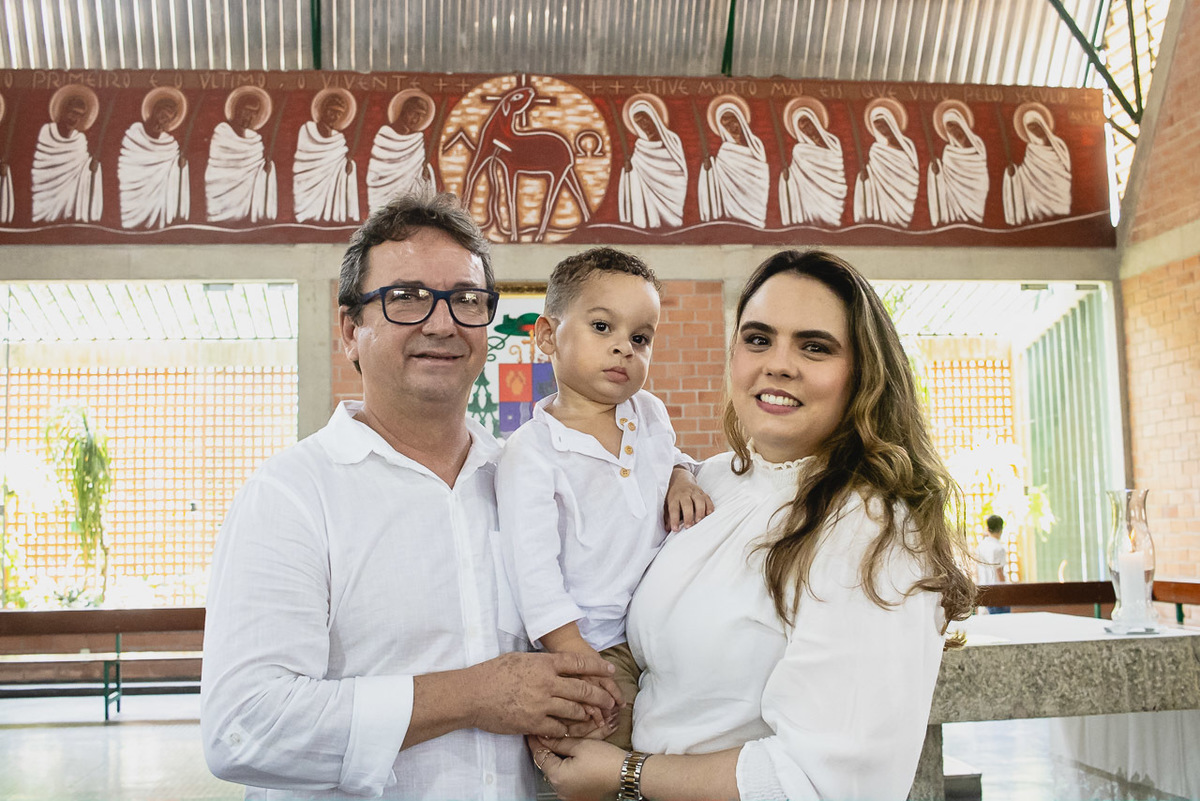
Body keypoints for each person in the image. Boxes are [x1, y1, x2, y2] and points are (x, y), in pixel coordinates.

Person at [201, 192, 618, 800]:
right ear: (350, 329)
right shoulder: (292, 496)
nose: (443, 323)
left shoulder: (530, 480)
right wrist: (475, 695)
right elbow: (243, 728)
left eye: (467, 301)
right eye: (406, 297)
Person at [533, 249, 976, 801]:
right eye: (758, 339)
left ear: (863, 372)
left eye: (814, 346)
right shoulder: (714, 480)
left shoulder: (873, 531)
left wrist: (624, 774)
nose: (778, 364)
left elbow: (831, 782)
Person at [494, 247, 714, 751]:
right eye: (601, 328)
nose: (624, 349)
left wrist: (681, 477)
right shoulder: (530, 452)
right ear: (548, 335)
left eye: (640, 338)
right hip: (594, 646)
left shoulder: (650, 412)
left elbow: (671, 456)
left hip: (667, 631)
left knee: (683, 748)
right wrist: (577, 657)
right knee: (609, 759)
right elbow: (533, 574)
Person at [118, 87, 190, 229]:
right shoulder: (134, 135)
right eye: (162, 116)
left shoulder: (170, 145)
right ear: (154, 112)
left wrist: (181, 165)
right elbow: (125, 168)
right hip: (133, 199)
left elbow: (173, 173)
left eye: (168, 120)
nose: (162, 122)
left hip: (157, 202)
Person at [31, 84, 103, 223]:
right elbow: (41, 167)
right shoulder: (47, 132)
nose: (74, 118)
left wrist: (92, 167)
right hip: (44, 198)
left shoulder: (80, 140)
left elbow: (82, 169)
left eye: (79, 115)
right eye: (72, 112)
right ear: (63, 111)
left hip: (70, 203)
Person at [205, 86, 278, 223]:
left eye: (254, 113)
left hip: (246, 200)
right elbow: (219, 166)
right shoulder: (222, 132)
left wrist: (265, 169)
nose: (249, 116)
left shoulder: (255, 140)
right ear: (237, 109)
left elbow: (255, 170)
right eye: (247, 111)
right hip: (220, 192)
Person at [617, 95, 688, 229]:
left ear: (653, 117)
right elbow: (636, 176)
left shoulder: (672, 139)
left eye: (646, 119)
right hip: (649, 197)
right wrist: (628, 171)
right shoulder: (639, 148)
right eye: (638, 122)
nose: (644, 125)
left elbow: (682, 168)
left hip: (674, 191)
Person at [698, 98, 769, 228]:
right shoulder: (724, 152)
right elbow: (718, 180)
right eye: (726, 124)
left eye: (734, 121)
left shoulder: (756, 145)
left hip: (756, 202)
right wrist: (708, 169)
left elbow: (762, 174)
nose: (732, 126)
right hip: (732, 210)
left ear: (740, 120)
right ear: (721, 128)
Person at [294, 88, 360, 223]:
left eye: (339, 114)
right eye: (332, 111)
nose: (334, 116)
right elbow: (305, 157)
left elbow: (338, 161)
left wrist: (347, 164)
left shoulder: (338, 138)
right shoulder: (307, 129)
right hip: (309, 180)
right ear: (323, 110)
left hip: (331, 183)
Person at [778, 99, 847, 227]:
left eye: (807, 122)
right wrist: (786, 178)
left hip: (833, 195)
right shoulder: (800, 150)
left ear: (814, 120)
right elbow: (796, 174)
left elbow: (838, 169)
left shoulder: (834, 143)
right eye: (801, 125)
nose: (806, 127)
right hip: (811, 197)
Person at [366, 90, 436, 213]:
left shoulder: (417, 139)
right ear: (405, 111)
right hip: (383, 194)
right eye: (414, 113)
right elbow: (377, 169)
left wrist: (424, 171)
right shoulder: (385, 134)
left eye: (421, 115)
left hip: (410, 200)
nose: (417, 118)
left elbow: (416, 170)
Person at [1002, 103, 1071, 226]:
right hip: (1037, 202)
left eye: (1036, 125)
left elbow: (1066, 168)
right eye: (1030, 128)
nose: (1035, 130)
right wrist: (1012, 176)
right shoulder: (1031, 150)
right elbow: (1027, 174)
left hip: (1060, 193)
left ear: (1043, 124)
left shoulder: (1059, 145)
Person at [853, 100, 919, 227]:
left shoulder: (907, 144)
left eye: (884, 124)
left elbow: (914, 171)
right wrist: (865, 178)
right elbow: (874, 175)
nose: (882, 129)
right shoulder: (876, 150)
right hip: (883, 198)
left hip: (905, 191)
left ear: (891, 122)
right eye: (877, 126)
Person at [927, 100, 988, 226]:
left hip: (977, 192)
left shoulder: (978, 146)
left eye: (955, 125)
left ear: (962, 124)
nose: (953, 130)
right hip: (954, 200)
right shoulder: (949, 153)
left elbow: (981, 170)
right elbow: (946, 180)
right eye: (949, 127)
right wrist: (936, 174)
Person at [977, 514, 1010, 614]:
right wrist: (1007, 592)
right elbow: (999, 572)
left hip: (983, 591)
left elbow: (976, 570)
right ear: (1001, 529)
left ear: (988, 528)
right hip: (997, 593)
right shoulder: (998, 548)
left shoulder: (980, 546)